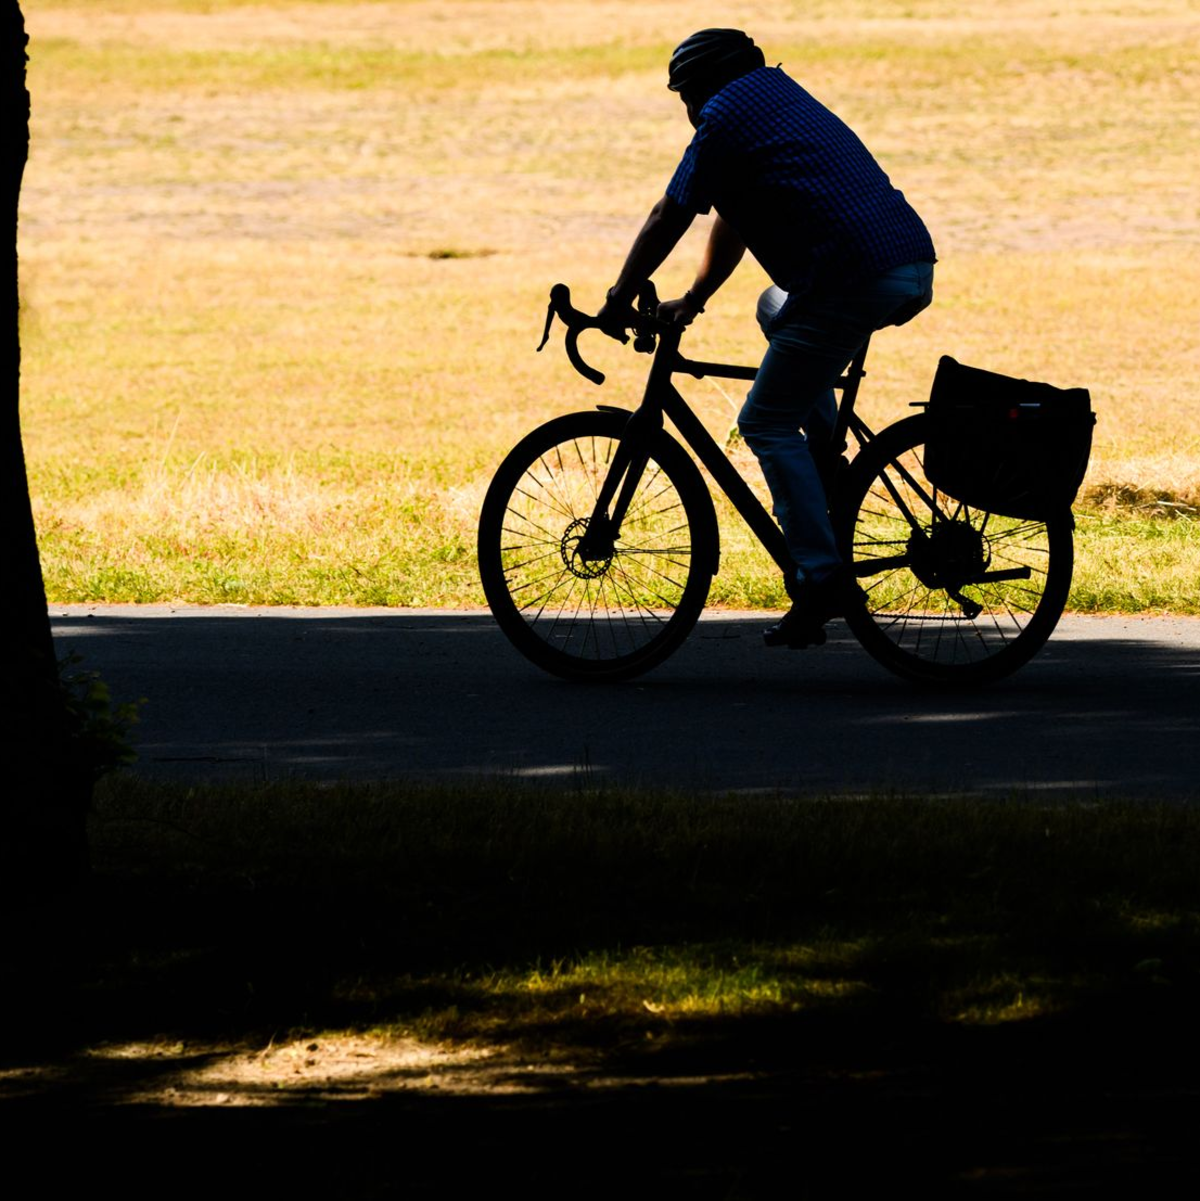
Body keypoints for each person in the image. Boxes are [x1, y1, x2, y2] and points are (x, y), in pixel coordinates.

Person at [596, 28, 936, 648]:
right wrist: (692, 301)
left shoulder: (725, 116)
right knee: (775, 309)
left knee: (766, 423)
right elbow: (732, 216)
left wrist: (620, 294)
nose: (687, 109)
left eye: (685, 95)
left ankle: (822, 577)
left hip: (851, 279)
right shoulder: (775, 97)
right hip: (897, 264)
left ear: (703, 85)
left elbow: (670, 213)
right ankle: (827, 453)